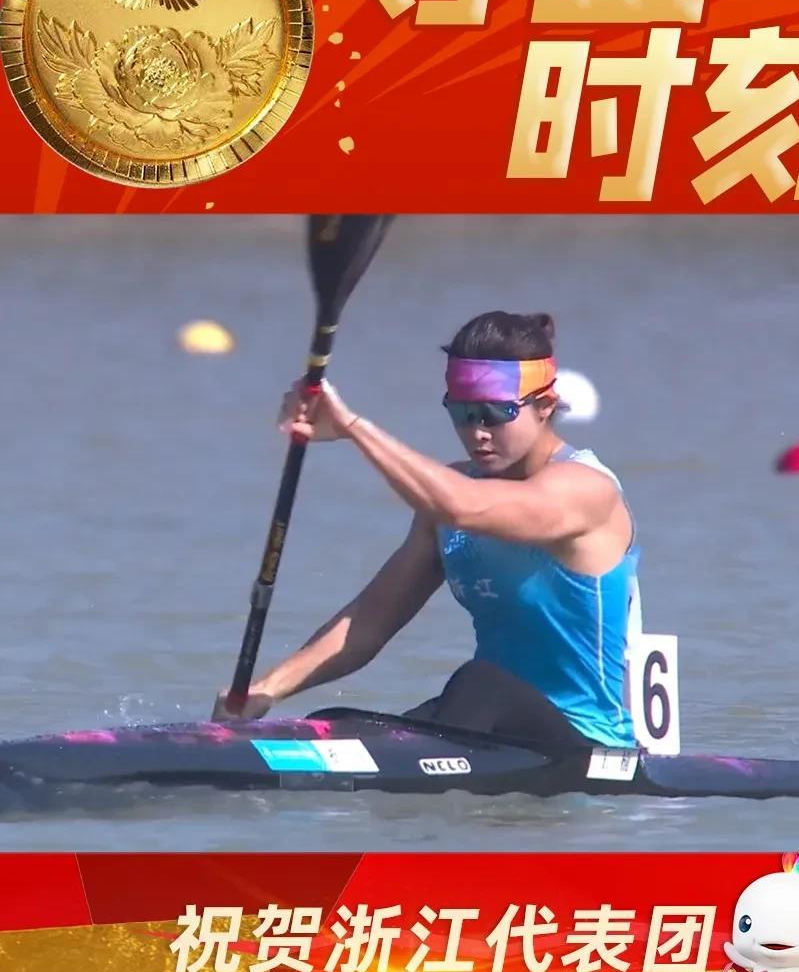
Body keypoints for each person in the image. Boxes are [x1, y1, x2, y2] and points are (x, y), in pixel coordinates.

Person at [214, 311, 641, 752]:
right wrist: (264, 691)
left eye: (496, 413)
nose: (477, 432)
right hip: (490, 727)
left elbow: (462, 507)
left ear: (545, 406)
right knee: (333, 724)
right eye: (462, 412)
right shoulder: (450, 496)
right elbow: (369, 622)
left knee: (480, 684)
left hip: (586, 742)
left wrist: (352, 428)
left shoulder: (585, 491)